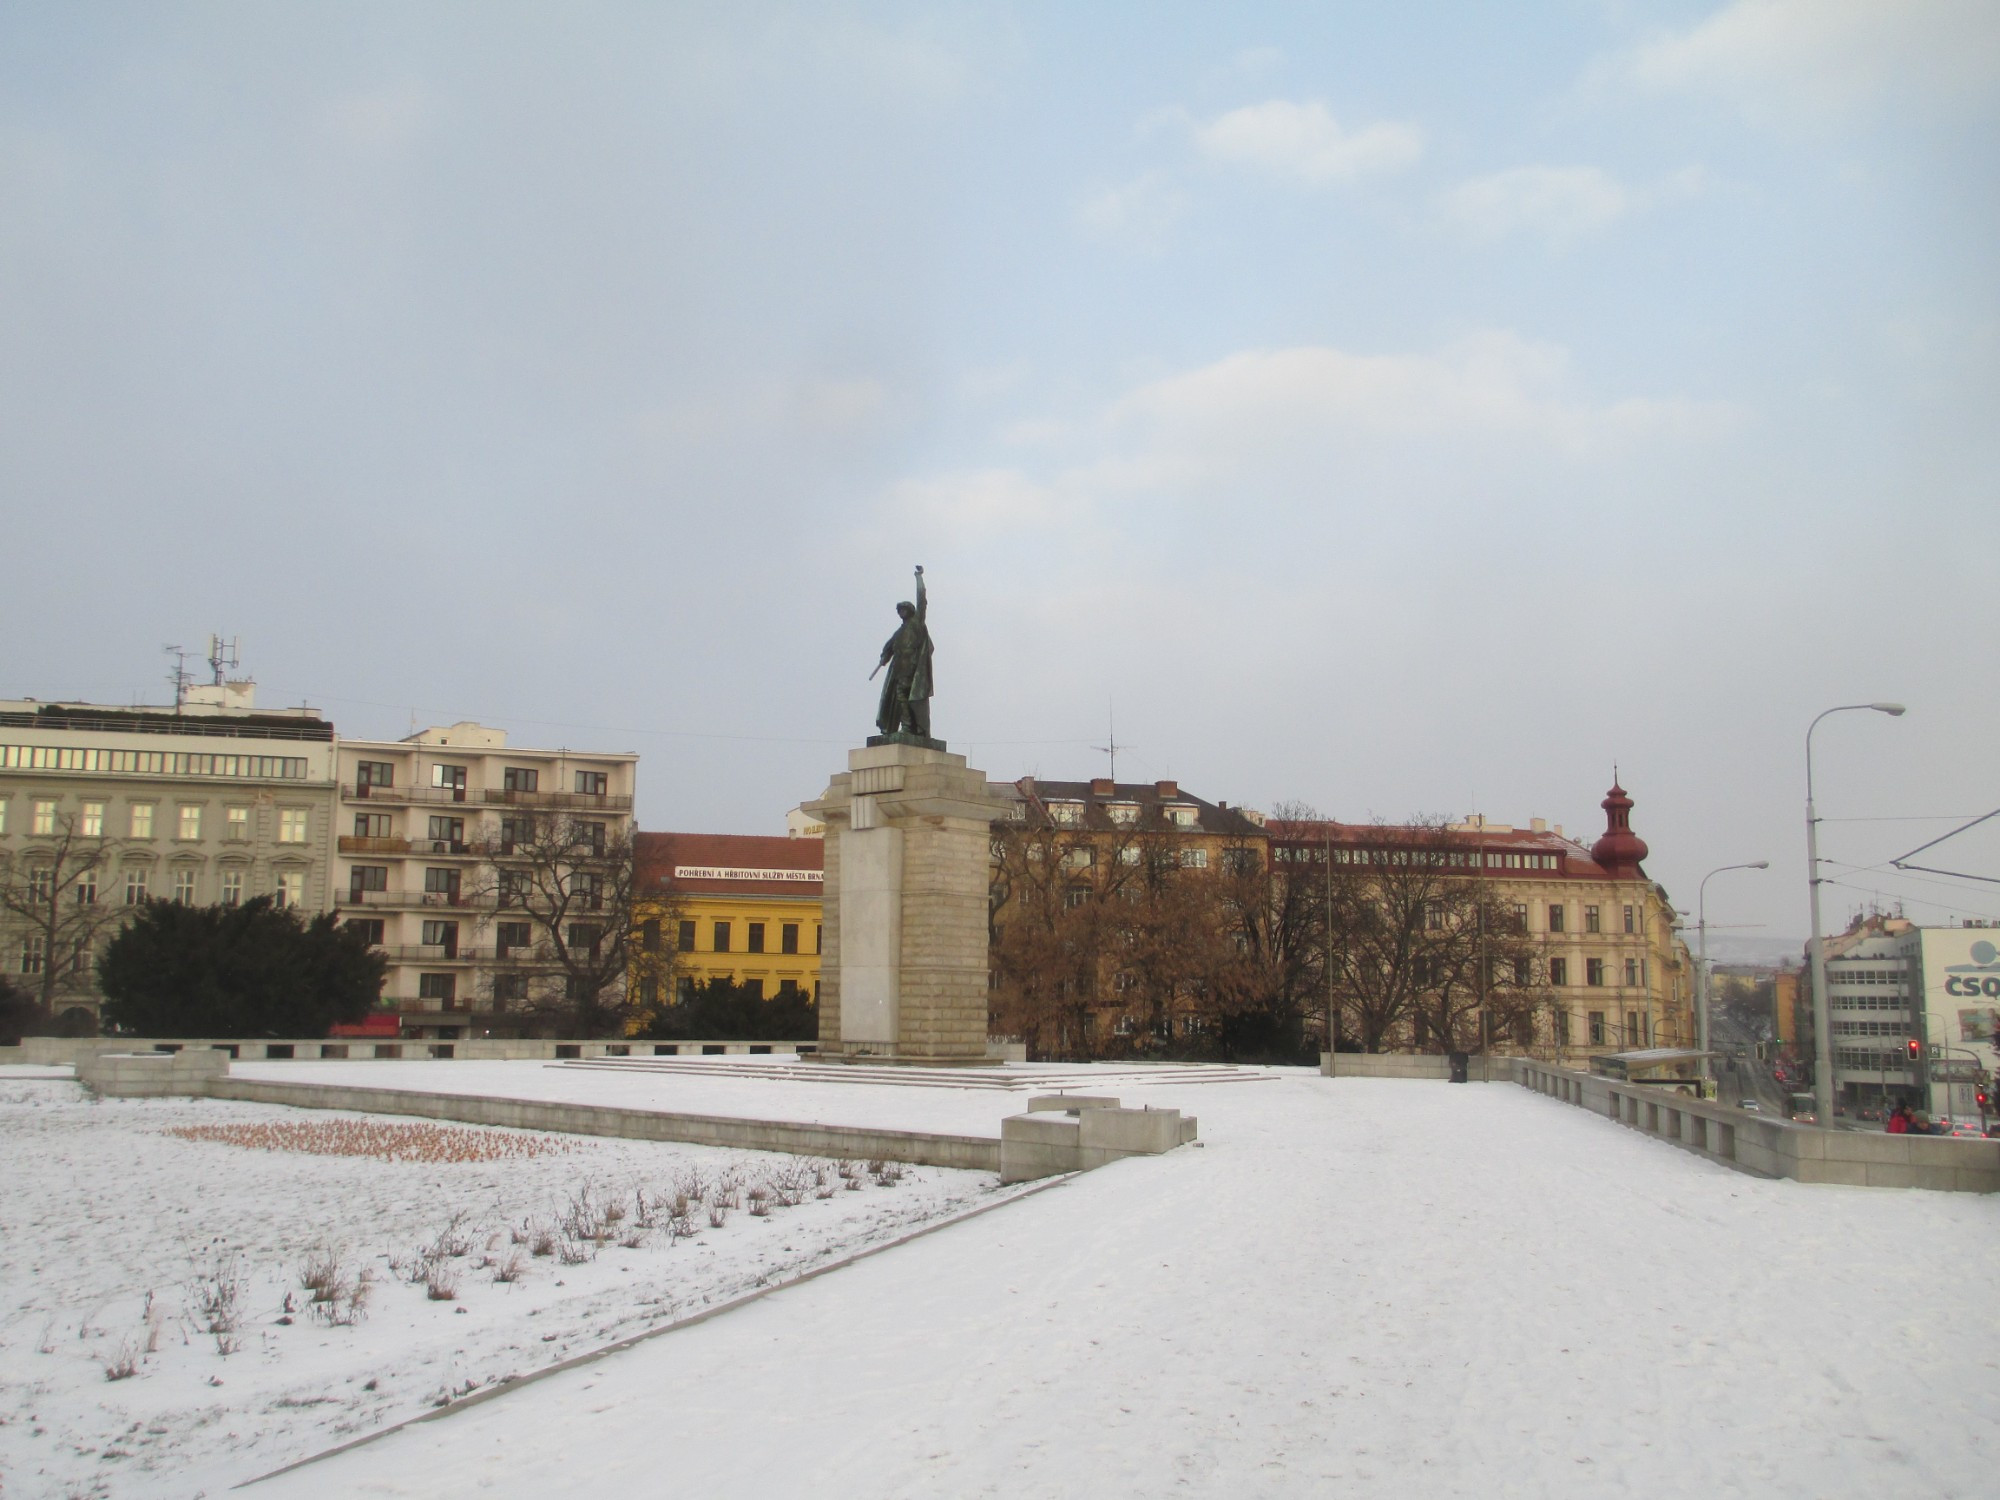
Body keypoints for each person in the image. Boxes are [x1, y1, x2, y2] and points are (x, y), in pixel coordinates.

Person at [874, 565, 933, 739]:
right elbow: (889, 649)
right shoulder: (899, 632)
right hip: (898, 670)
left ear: (910, 611)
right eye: (899, 610)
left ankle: (916, 728)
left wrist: (919, 578)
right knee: (900, 699)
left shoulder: (917, 623)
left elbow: (922, 600)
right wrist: (884, 658)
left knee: (912, 698)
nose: (901, 612)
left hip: (914, 669)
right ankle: (906, 726)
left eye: (904, 609)